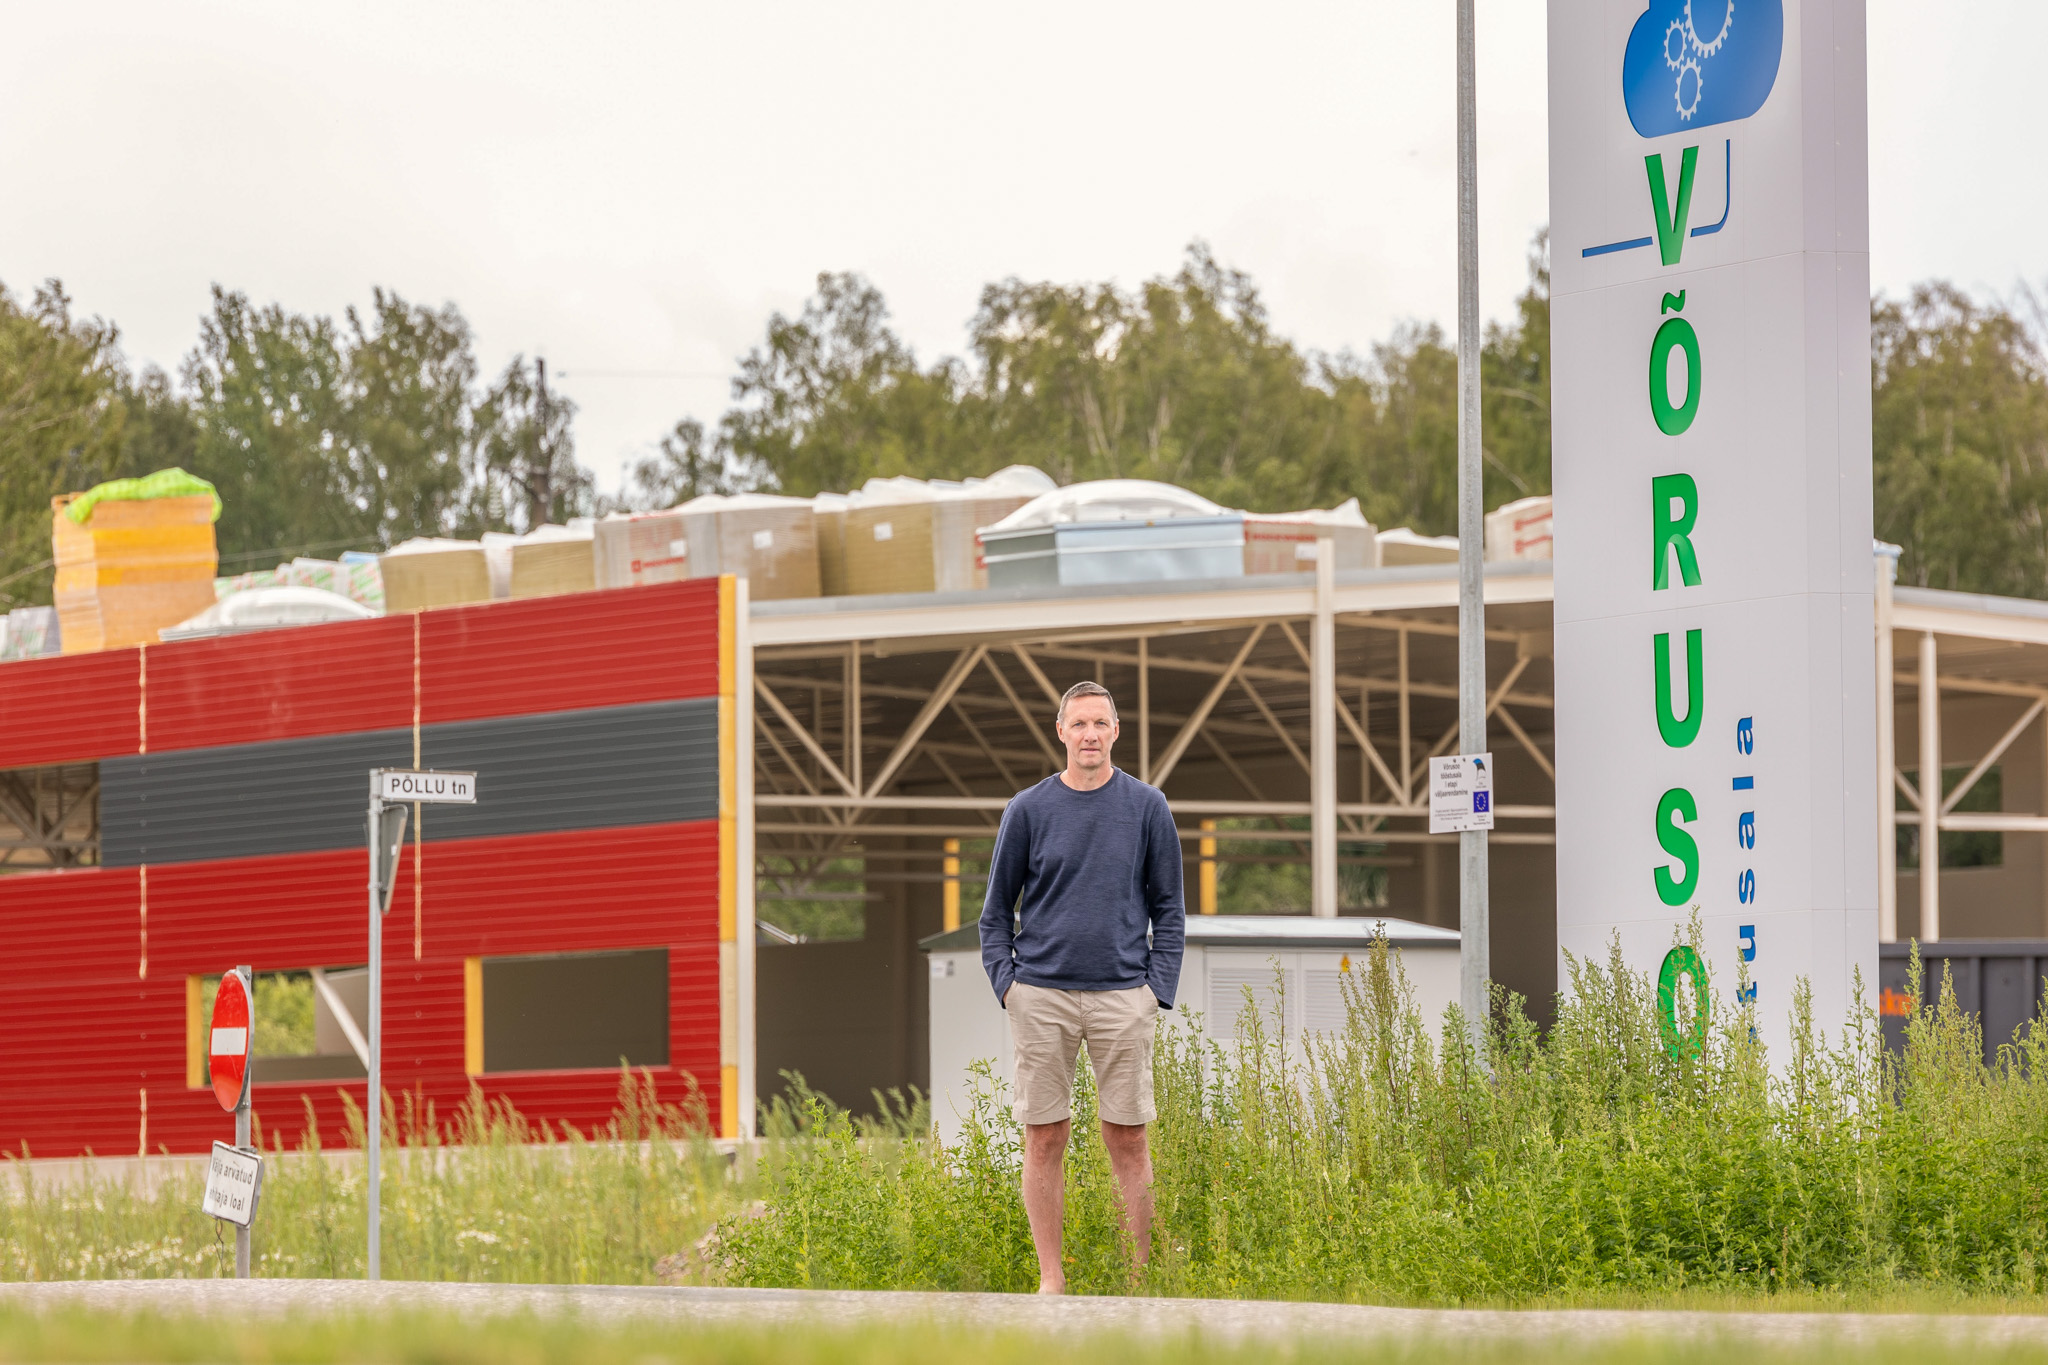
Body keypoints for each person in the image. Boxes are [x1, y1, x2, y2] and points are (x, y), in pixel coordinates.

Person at [978, 679, 1185, 1294]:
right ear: (1061, 732)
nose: (1090, 735)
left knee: (1128, 1135)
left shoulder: (1148, 806)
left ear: (1115, 732)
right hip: (1040, 994)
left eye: (1100, 724)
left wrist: (1157, 989)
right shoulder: (1028, 810)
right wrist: (1007, 985)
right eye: (1079, 725)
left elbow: (1169, 908)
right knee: (1045, 1135)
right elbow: (995, 912)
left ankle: (1140, 1278)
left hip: (1124, 995)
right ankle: (1052, 1280)